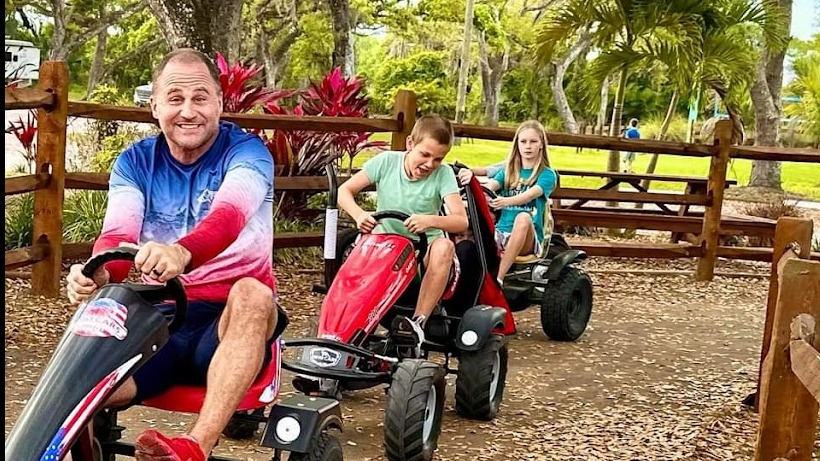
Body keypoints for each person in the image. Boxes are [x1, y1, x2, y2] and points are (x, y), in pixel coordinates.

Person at [65, 48, 280, 461]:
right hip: (159, 321)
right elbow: (118, 235)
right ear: (154, 106)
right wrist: (99, 273)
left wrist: (181, 253)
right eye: (175, 98)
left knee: (253, 293)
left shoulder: (248, 154)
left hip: (227, 324)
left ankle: (194, 448)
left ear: (219, 102)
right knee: (81, 374)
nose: (188, 111)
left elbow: (229, 218)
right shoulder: (135, 162)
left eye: (200, 98)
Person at [337, 114, 468, 356]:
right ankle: (347, 331)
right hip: (386, 248)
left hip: (423, 253)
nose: (430, 164)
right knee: (359, 249)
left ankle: (417, 324)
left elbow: (461, 221)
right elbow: (345, 191)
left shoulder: (443, 174)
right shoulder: (386, 162)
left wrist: (428, 220)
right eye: (425, 155)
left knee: (444, 247)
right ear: (410, 144)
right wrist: (358, 215)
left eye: (438, 159)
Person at [458, 120, 557, 282]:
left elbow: (531, 194)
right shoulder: (508, 171)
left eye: (533, 142)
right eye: (523, 141)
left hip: (528, 239)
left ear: (541, 145)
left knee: (523, 217)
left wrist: (506, 201)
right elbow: (491, 186)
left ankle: (499, 279)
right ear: (517, 144)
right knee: (469, 218)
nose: (528, 146)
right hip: (500, 233)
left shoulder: (547, 174)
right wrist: (472, 180)